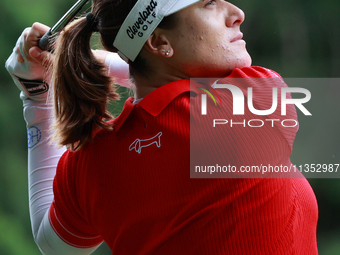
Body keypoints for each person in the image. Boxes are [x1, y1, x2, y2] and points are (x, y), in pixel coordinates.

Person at [6, 0, 319, 254]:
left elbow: (53, 245)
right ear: (158, 41)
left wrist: (36, 97)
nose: (237, 13)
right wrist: (83, 59)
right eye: (209, 3)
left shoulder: (90, 163)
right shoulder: (250, 104)